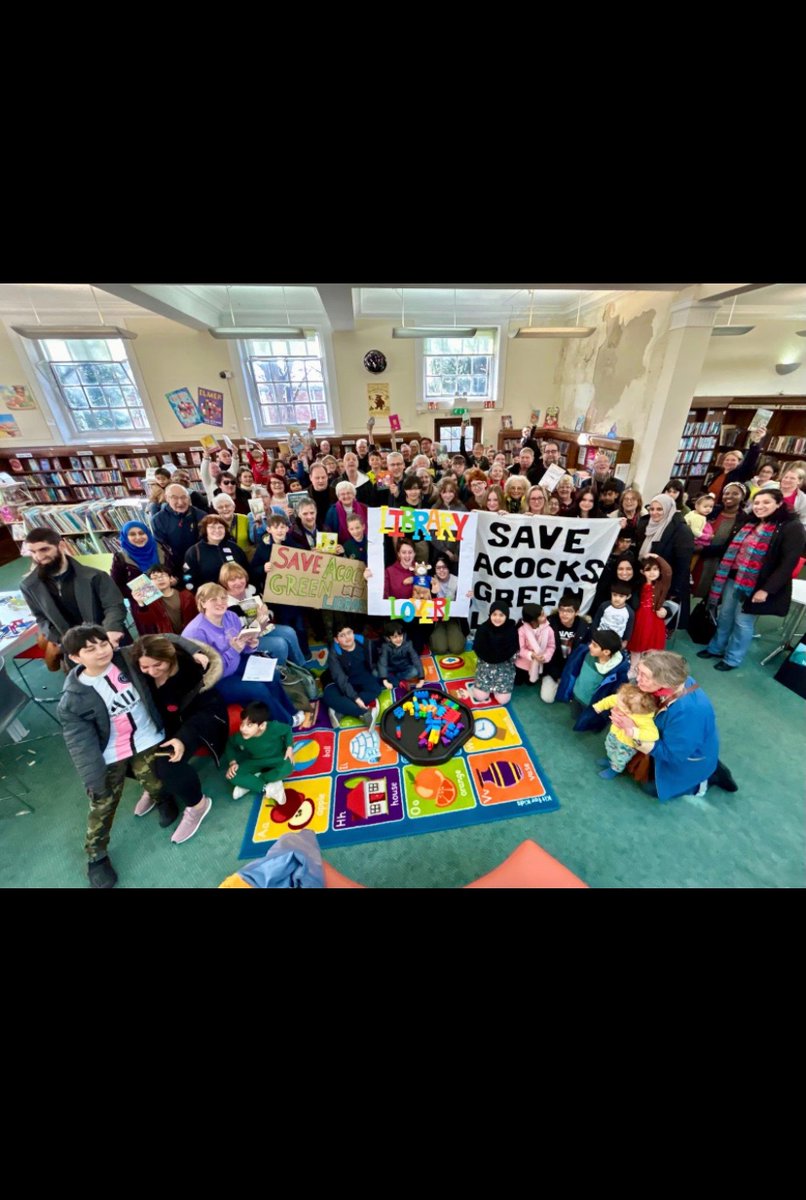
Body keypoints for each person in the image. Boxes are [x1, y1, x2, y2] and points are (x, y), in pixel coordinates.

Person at [58, 625, 212, 887]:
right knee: (103, 804)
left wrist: (194, 650)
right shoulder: (73, 699)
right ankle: (97, 856)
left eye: (103, 644)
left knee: (158, 779)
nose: (101, 651)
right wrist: (93, 779)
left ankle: (160, 798)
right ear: (74, 657)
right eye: (90, 649)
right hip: (112, 753)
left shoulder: (126, 658)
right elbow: (80, 744)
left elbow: (165, 638)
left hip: (147, 738)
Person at [131, 633, 232, 839]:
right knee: (125, 757)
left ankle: (198, 805)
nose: (151, 672)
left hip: (198, 721)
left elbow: (206, 711)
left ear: (170, 658)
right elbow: (163, 636)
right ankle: (154, 786)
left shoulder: (190, 671)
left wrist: (183, 738)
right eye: (145, 667)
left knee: (167, 763)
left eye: (157, 665)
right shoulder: (140, 672)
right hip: (161, 723)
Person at [697, 487, 805, 670]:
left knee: (743, 622)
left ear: (779, 504)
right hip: (732, 578)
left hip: (756, 584)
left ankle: (732, 658)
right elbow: (730, 548)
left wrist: (766, 590)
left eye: (766, 502)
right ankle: (716, 648)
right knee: (724, 615)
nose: (760, 506)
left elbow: (788, 564)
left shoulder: (791, 527)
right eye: (757, 502)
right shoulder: (749, 522)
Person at [181, 583, 299, 725]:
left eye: (223, 598)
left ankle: (289, 711)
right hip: (215, 680)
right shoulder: (195, 632)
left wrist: (251, 645)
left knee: (272, 674)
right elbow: (207, 672)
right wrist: (233, 651)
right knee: (258, 689)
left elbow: (242, 647)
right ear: (203, 603)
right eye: (213, 599)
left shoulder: (231, 616)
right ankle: (286, 722)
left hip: (236, 663)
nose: (220, 602)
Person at [616, 651, 721, 802]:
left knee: (650, 788)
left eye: (645, 676)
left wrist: (633, 731)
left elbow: (673, 755)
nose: (637, 679)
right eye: (639, 671)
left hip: (687, 757)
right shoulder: (677, 679)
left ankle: (703, 782)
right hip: (679, 741)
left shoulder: (688, 712)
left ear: (665, 683)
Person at [21, 527, 128, 656]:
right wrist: (62, 641)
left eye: (44, 549)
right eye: (33, 552)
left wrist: (111, 629)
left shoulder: (96, 576)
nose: (38, 557)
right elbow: (41, 618)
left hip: (109, 642)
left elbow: (114, 606)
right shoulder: (29, 586)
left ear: (61, 546)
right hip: (74, 650)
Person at [219, 561, 306, 667]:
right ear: (225, 582)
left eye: (240, 577)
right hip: (245, 641)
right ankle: (279, 672)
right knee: (280, 644)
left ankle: (302, 667)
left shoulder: (251, 589)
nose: (238, 582)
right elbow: (233, 634)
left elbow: (268, 611)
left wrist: (267, 613)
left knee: (289, 632)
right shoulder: (225, 603)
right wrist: (257, 622)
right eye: (232, 580)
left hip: (263, 629)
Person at [635, 494, 694, 628]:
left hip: (665, 588)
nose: (654, 513)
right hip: (646, 583)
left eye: (659, 509)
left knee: (659, 625)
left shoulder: (681, 531)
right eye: (652, 509)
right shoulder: (646, 525)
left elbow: (682, 566)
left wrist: (673, 593)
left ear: (669, 509)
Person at [225, 700, 294, 802]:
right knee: (232, 776)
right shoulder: (240, 736)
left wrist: (289, 747)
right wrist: (232, 762)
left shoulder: (273, 727)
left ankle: (253, 781)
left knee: (288, 767)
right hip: (256, 761)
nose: (243, 729)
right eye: (242, 723)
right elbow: (230, 744)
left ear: (262, 726)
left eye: (249, 725)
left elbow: (287, 729)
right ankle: (266, 786)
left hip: (276, 758)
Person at [592, 683, 659, 781]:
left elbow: (653, 735)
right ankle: (610, 759)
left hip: (627, 744)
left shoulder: (644, 719)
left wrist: (634, 732)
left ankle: (614, 769)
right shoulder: (623, 699)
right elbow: (612, 699)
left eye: (620, 706)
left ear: (630, 711)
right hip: (614, 733)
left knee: (620, 758)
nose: (617, 704)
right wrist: (600, 706)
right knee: (609, 746)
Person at [323, 621, 382, 728]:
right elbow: (340, 678)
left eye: (349, 633)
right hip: (340, 681)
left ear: (353, 632)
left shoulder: (365, 643)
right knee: (328, 696)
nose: (347, 637)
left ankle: (341, 709)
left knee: (376, 689)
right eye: (342, 635)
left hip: (361, 676)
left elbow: (376, 661)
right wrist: (356, 698)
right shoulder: (334, 653)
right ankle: (364, 713)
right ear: (336, 640)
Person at [540, 594, 590, 703]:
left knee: (573, 695)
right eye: (562, 610)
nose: (564, 614)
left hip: (572, 668)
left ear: (576, 612)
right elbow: (545, 651)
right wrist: (555, 675)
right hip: (552, 666)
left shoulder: (584, 627)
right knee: (547, 698)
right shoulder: (549, 623)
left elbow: (584, 654)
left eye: (569, 611)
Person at [182, 514, 249, 591]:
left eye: (220, 527)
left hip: (237, 593)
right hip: (211, 595)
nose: (217, 530)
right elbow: (187, 577)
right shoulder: (193, 552)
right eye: (212, 527)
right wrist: (199, 593)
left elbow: (247, 570)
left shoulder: (234, 547)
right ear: (205, 529)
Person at [470, 602, 519, 704]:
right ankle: (487, 687)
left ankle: (497, 688)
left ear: (506, 616)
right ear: (490, 615)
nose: (497, 618)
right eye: (494, 614)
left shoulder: (511, 630)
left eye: (501, 615)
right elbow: (478, 649)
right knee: (479, 696)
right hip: (485, 669)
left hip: (504, 670)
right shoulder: (483, 629)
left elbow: (513, 652)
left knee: (503, 700)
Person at [110, 520, 169, 605]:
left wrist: (174, 580)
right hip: (143, 605)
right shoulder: (120, 558)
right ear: (125, 536)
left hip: (169, 597)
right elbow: (116, 586)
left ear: (147, 533)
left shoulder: (162, 548)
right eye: (132, 534)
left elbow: (175, 570)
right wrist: (136, 594)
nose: (138, 537)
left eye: (141, 533)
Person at [133, 563, 197, 636]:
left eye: (163, 575)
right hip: (168, 638)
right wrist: (141, 603)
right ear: (150, 583)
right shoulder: (151, 601)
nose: (160, 579)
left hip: (190, 634)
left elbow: (195, 616)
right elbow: (148, 622)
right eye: (155, 577)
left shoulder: (186, 595)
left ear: (171, 578)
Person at [703, 426, 766, 501]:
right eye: (727, 460)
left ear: (739, 462)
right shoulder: (718, 473)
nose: (729, 462)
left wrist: (755, 442)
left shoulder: (739, 474)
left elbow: (750, 460)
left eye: (733, 460)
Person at [152, 484, 208, 567]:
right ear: (167, 498)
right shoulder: (158, 520)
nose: (180, 502)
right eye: (174, 498)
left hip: (200, 562)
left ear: (189, 498)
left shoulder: (201, 516)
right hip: (174, 565)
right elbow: (161, 548)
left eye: (184, 497)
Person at [628, 556, 672, 654]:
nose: (652, 572)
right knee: (636, 647)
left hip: (655, 619)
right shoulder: (638, 585)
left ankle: (648, 663)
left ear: (660, 571)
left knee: (652, 648)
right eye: (648, 570)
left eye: (655, 569)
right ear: (642, 572)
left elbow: (668, 571)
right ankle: (634, 663)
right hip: (639, 619)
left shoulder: (661, 585)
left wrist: (656, 557)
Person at [429, 556, 465, 654]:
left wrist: (468, 597)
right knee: (440, 649)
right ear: (435, 569)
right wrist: (432, 593)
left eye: (444, 567)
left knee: (457, 648)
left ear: (449, 568)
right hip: (437, 619)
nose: (441, 570)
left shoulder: (457, 581)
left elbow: (466, 605)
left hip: (452, 618)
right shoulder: (430, 581)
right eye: (438, 568)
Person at [377, 620, 424, 691]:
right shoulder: (385, 646)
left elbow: (416, 659)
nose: (398, 639)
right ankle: (398, 681)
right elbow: (382, 662)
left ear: (403, 634)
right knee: (375, 672)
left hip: (404, 666)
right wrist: (385, 680)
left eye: (400, 636)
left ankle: (394, 680)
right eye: (395, 637)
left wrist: (421, 679)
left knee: (414, 671)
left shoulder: (408, 643)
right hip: (391, 668)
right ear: (388, 638)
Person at [514, 603, 555, 685]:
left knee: (530, 684)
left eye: (544, 613)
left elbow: (551, 646)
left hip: (537, 664)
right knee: (517, 682)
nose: (545, 616)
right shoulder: (522, 630)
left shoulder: (549, 630)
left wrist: (545, 656)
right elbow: (520, 649)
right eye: (542, 615)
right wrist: (532, 655)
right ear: (533, 620)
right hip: (522, 664)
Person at [591, 582, 636, 647]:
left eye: (621, 596)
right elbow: (596, 620)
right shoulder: (604, 605)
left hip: (616, 640)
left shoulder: (629, 612)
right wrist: (593, 634)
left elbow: (629, 628)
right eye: (614, 595)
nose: (617, 599)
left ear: (628, 597)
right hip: (600, 636)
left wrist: (625, 640)